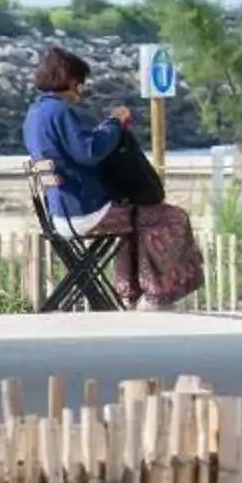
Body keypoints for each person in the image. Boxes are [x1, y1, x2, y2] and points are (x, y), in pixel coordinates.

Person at [22, 46, 204, 309]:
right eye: (79, 84)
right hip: (87, 213)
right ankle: (156, 296)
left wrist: (105, 129)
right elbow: (89, 151)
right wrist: (115, 123)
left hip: (59, 215)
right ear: (69, 80)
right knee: (171, 217)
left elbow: (76, 149)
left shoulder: (34, 116)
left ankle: (132, 292)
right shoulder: (60, 112)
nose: (80, 92)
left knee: (136, 224)